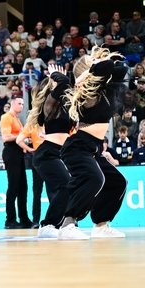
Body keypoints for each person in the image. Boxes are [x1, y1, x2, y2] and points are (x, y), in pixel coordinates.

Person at [60, 47, 128, 240]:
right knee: (94, 179)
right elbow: (106, 65)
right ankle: (68, 223)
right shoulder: (84, 93)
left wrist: (96, 63)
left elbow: (120, 68)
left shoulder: (102, 91)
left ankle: (101, 225)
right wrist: (92, 66)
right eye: (92, 61)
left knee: (117, 182)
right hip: (78, 147)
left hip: (94, 149)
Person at [24, 66, 74, 239]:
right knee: (66, 185)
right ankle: (47, 225)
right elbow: (65, 83)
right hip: (46, 154)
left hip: (60, 153)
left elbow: (68, 88)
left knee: (67, 187)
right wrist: (56, 75)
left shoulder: (64, 107)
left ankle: (61, 224)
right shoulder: (49, 105)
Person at [0, 97, 32, 228]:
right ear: (12, 104)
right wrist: (22, 137)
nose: (22, 106)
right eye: (19, 103)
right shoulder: (6, 117)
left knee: (22, 187)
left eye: (23, 104)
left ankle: (24, 219)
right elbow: (6, 137)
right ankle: (10, 220)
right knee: (13, 186)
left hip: (18, 153)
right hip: (11, 152)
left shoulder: (17, 120)